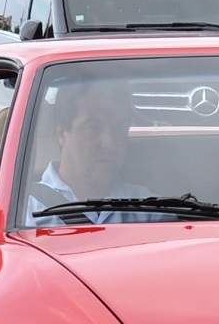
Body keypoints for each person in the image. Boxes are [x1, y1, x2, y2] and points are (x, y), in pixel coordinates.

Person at [25, 84, 161, 223]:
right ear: (62, 134)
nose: (110, 144)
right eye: (93, 127)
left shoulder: (151, 210)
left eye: (119, 128)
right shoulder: (26, 212)